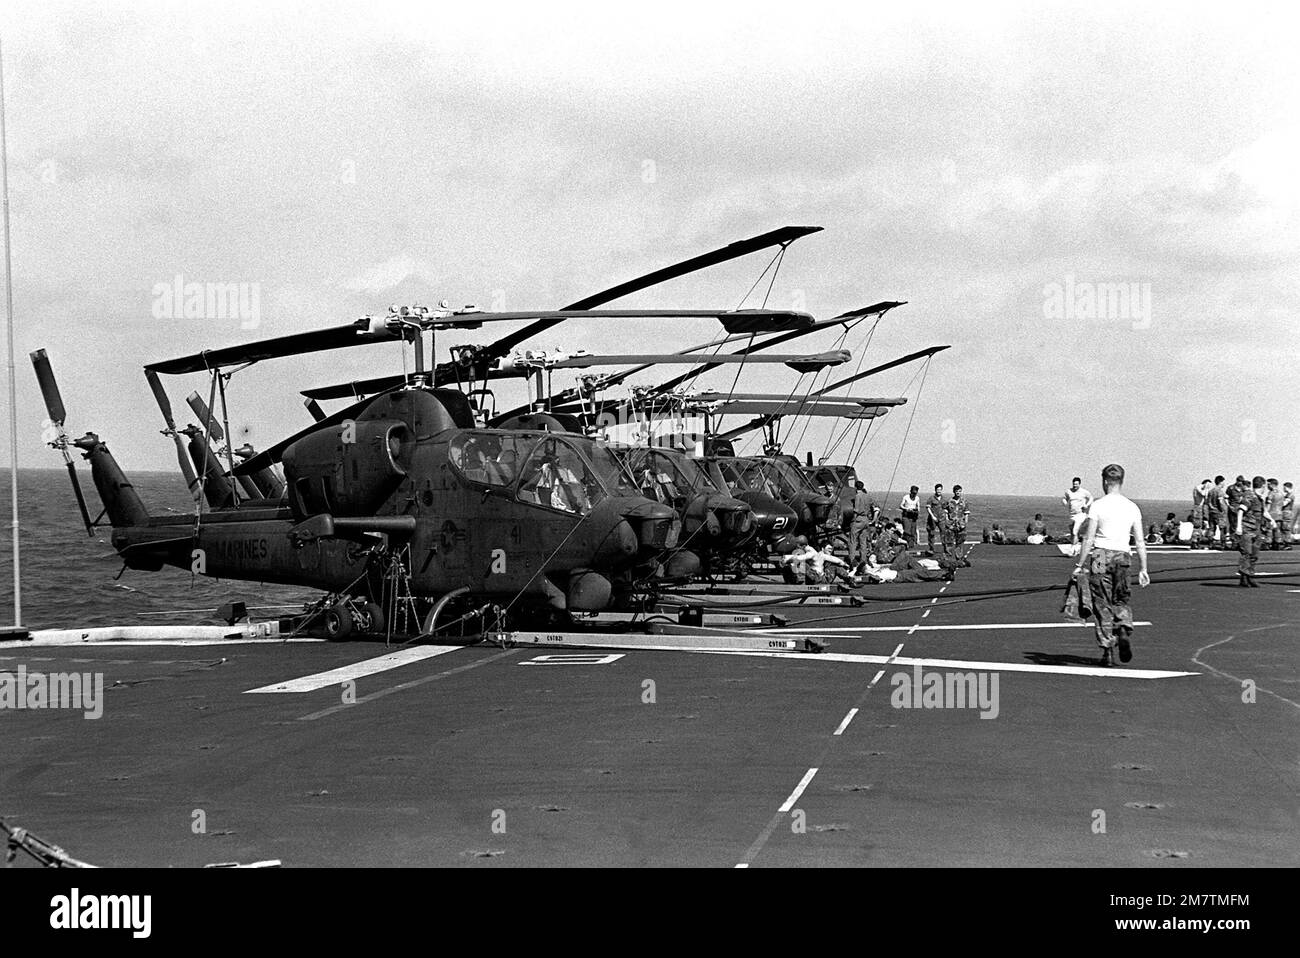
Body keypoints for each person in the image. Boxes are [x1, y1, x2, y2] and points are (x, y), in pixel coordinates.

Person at [1073, 463, 1149, 667]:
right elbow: (1140, 541)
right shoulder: (1132, 507)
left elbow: (1088, 539)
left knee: (1101, 603)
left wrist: (1080, 564)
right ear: (1121, 481)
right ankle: (1123, 627)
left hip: (1099, 555)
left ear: (1105, 481)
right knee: (1121, 598)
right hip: (1123, 555)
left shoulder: (1097, 505)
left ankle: (1107, 651)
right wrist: (1143, 568)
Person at [1235, 476, 1275, 586]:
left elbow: (1264, 512)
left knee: (1254, 554)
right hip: (1247, 529)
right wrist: (1239, 527)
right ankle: (1244, 577)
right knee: (1246, 553)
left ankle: (1250, 575)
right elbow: (1241, 510)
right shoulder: (1250, 496)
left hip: (1257, 529)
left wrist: (1271, 520)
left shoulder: (1260, 498)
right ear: (1262, 486)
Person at [847, 481, 878, 567]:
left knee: (852, 541)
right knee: (863, 541)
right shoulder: (867, 496)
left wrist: (853, 520)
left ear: (855, 487)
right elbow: (873, 505)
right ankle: (863, 560)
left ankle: (851, 561)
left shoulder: (857, 496)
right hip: (866, 520)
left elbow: (856, 510)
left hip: (858, 519)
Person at [1062, 476, 1093, 549]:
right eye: (1074, 484)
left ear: (1079, 484)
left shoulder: (1084, 492)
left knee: (1074, 531)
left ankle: (1073, 548)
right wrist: (1064, 502)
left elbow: (1091, 498)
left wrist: (1087, 505)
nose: (1075, 486)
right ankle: (1077, 545)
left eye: (1076, 484)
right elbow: (1065, 498)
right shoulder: (1068, 491)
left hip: (1081, 514)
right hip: (1072, 514)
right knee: (1073, 532)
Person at [945, 484, 971, 564]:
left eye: (959, 491)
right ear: (954, 492)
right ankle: (948, 558)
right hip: (951, 524)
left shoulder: (964, 502)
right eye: (956, 491)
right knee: (949, 542)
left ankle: (959, 557)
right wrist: (947, 521)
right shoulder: (949, 501)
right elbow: (946, 512)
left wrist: (965, 523)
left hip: (961, 524)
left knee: (959, 542)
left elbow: (966, 513)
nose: (958, 493)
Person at [1225, 475, 1247, 550]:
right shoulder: (1230, 488)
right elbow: (1226, 498)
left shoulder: (1244, 489)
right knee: (1233, 526)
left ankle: (1240, 543)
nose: (1240, 483)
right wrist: (1229, 506)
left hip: (1241, 510)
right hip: (1232, 509)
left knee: (1241, 526)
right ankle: (1234, 542)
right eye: (1239, 481)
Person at [1206, 475, 1228, 548]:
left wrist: (1211, 508)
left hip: (1211, 512)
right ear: (1221, 482)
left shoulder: (1210, 491)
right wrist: (1224, 510)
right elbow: (1220, 502)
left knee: (1211, 528)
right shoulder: (1219, 491)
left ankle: (1210, 543)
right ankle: (1223, 544)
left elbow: (1208, 502)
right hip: (1219, 512)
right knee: (1222, 528)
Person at [924, 483, 946, 555]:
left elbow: (946, 508)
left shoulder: (944, 499)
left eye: (940, 489)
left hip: (941, 519)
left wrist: (946, 515)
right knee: (931, 533)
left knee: (943, 533)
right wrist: (932, 516)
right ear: (935, 490)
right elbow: (928, 508)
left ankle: (946, 549)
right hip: (933, 518)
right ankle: (931, 549)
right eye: (937, 489)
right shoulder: (931, 498)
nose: (939, 491)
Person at [1191, 479, 1212, 549]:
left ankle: (1197, 541)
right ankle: (1194, 541)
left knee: (1199, 525)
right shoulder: (1198, 487)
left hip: (1200, 506)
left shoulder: (1200, 488)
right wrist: (1206, 488)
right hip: (1198, 507)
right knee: (1197, 525)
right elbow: (1203, 494)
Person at [1265, 478, 1284, 550]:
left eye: (1268, 484)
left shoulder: (1271, 493)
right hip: (1279, 514)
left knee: (1269, 529)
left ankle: (1268, 544)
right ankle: (1278, 543)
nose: (1267, 486)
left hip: (1272, 513)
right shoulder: (1281, 494)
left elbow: (1268, 505)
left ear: (1272, 485)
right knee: (1277, 530)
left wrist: (1265, 513)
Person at [1281, 482, 1295, 550]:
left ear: (1287, 487)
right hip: (1285, 513)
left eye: (1284, 487)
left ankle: (1288, 543)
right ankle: (1285, 543)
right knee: (1284, 528)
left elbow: (1284, 503)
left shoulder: (1290, 495)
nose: (1283, 489)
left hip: (1287, 513)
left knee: (1286, 528)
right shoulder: (1287, 495)